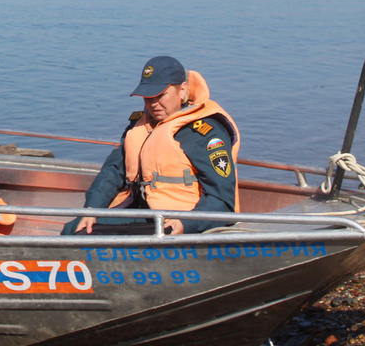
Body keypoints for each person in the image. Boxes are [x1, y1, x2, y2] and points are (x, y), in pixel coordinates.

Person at [63, 56, 240, 235]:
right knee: (75, 228)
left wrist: (187, 224)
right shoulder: (140, 124)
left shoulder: (204, 132)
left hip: (179, 218)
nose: (154, 104)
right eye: (148, 97)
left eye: (161, 95)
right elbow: (114, 171)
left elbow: (222, 200)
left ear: (182, 90)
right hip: (141, 209)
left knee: (89, 235)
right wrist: (92, 209)